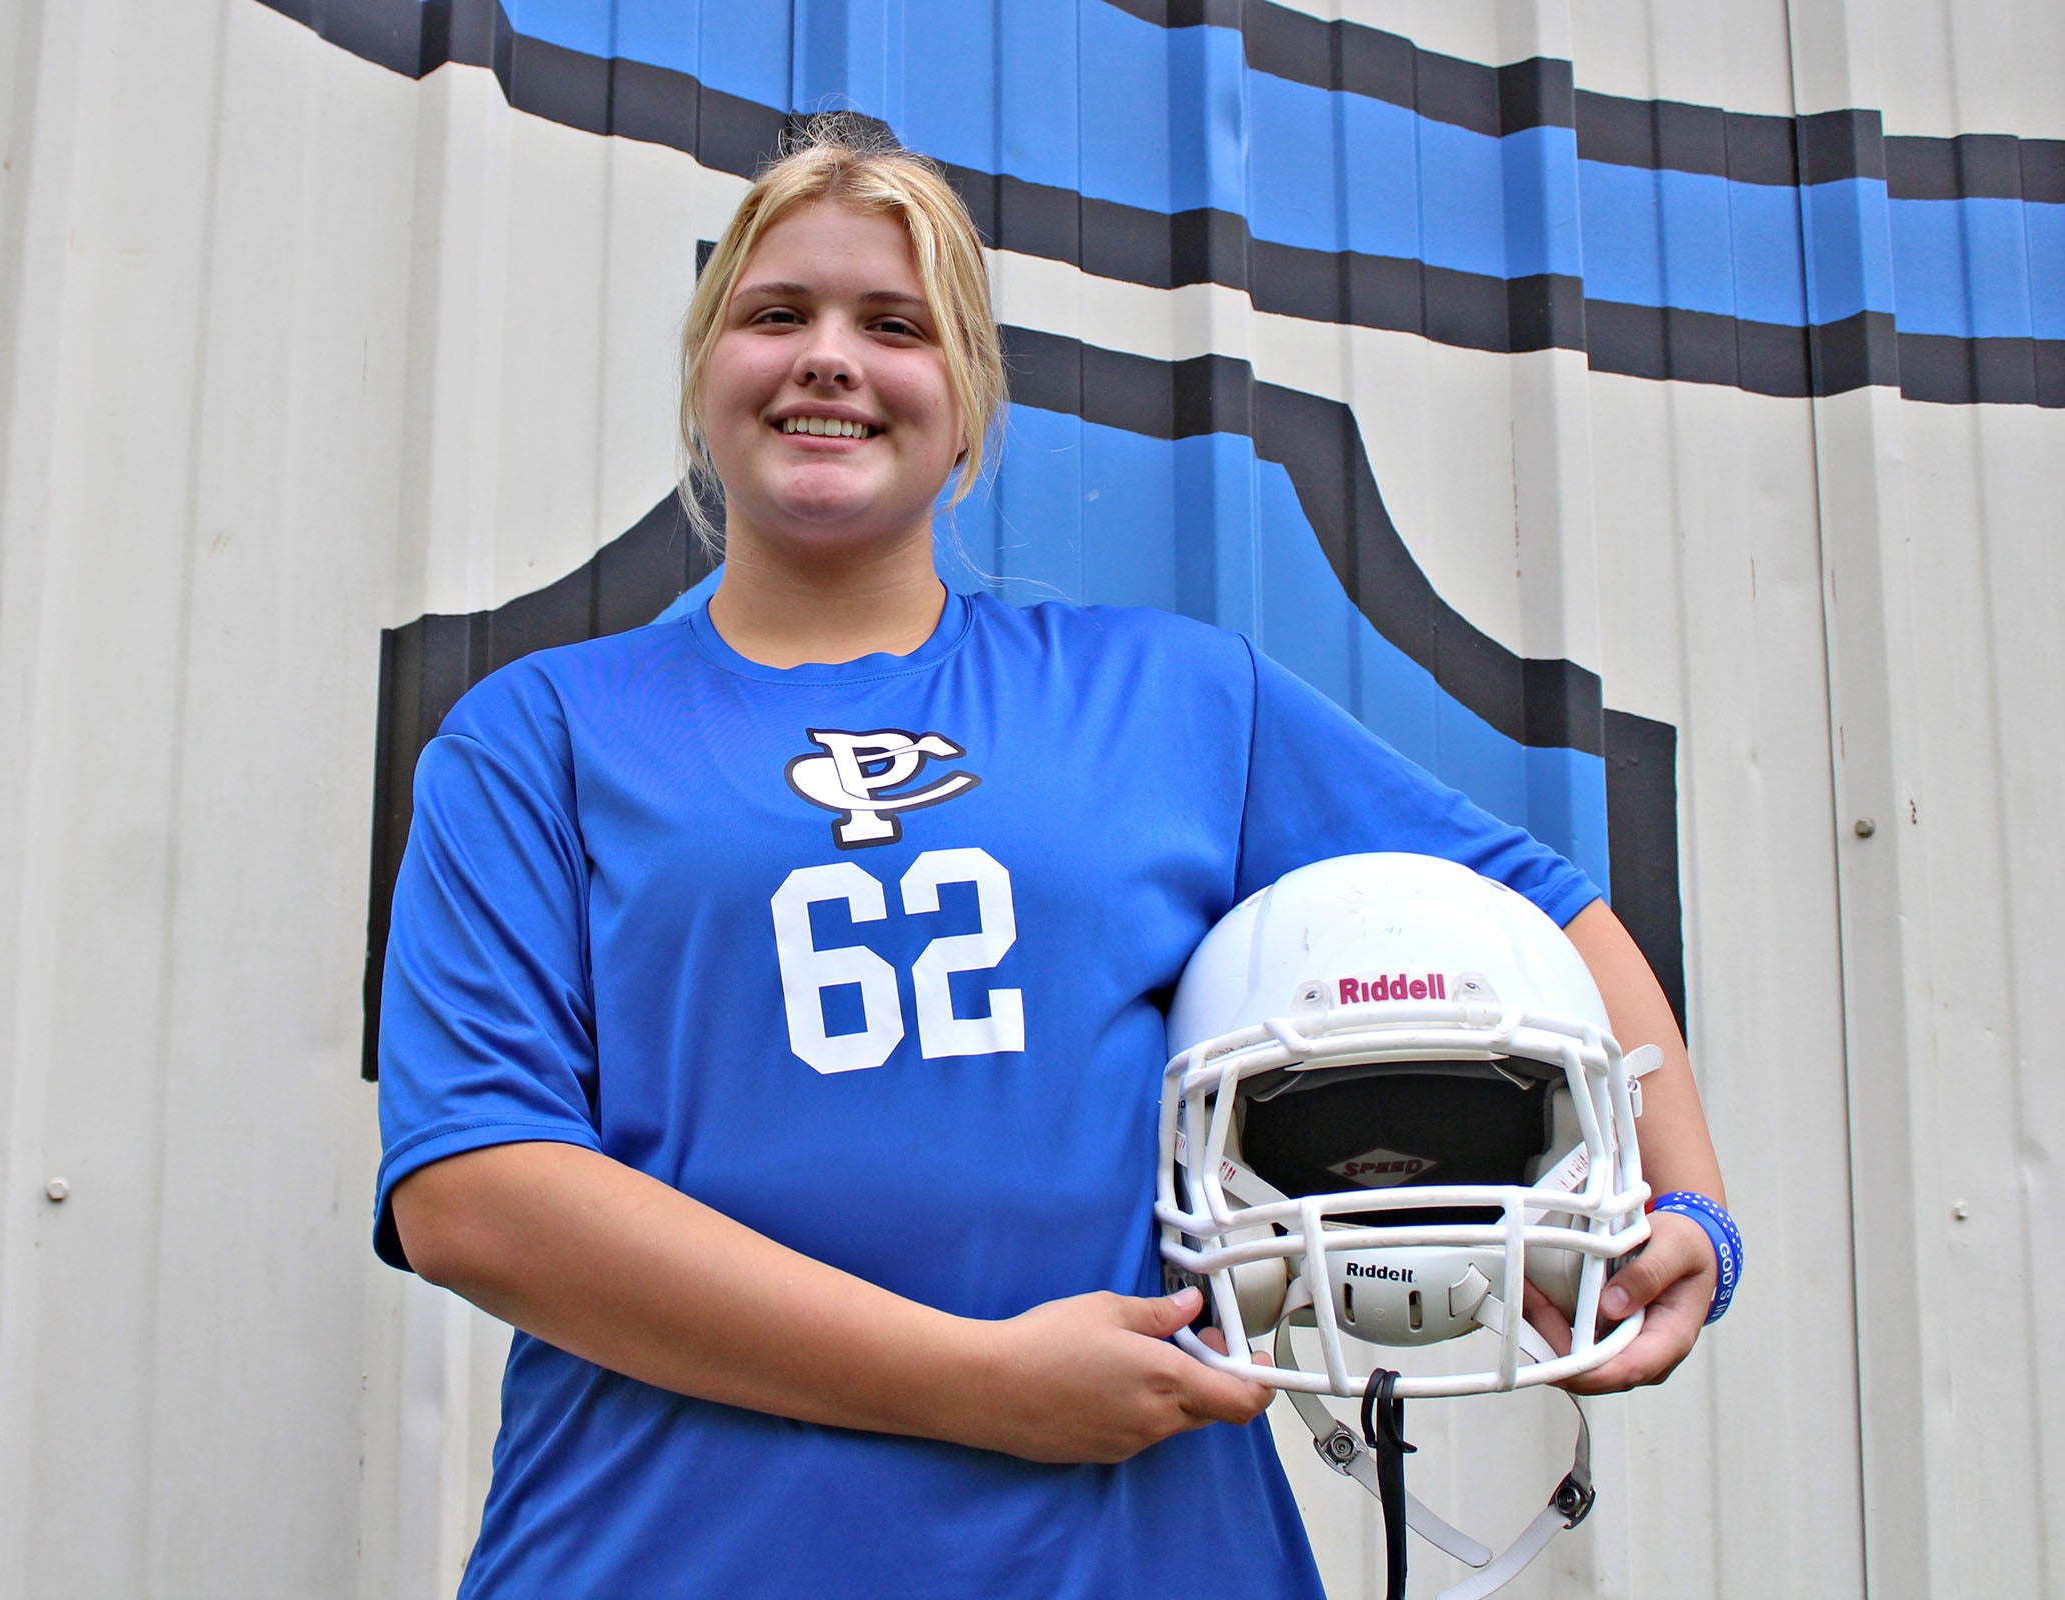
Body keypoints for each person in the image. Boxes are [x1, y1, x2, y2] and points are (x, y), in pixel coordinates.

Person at [373, 121, 1727, 1598]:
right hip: (669, 1554)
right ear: (706, 380)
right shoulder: (540, 736)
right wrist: (975, 1382)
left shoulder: (1171, 699)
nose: (831, 358)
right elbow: (477, 1195)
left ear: (968, 408)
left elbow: (1540, 910)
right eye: (778, 315)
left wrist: (1694, 1211)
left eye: (895, 326)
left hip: (1134, 1554)